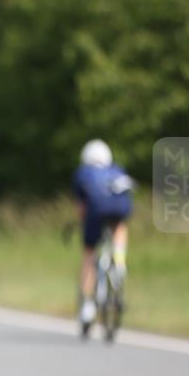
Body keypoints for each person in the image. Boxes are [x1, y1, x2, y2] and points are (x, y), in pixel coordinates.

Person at [73, 139, 134, 333]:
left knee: (89, 253)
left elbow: (81, 208)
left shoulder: (84, 172)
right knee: (120, 226)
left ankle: (87, 307)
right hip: (120, 209)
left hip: (96, 211)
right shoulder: (117, 170)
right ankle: (119, 261)